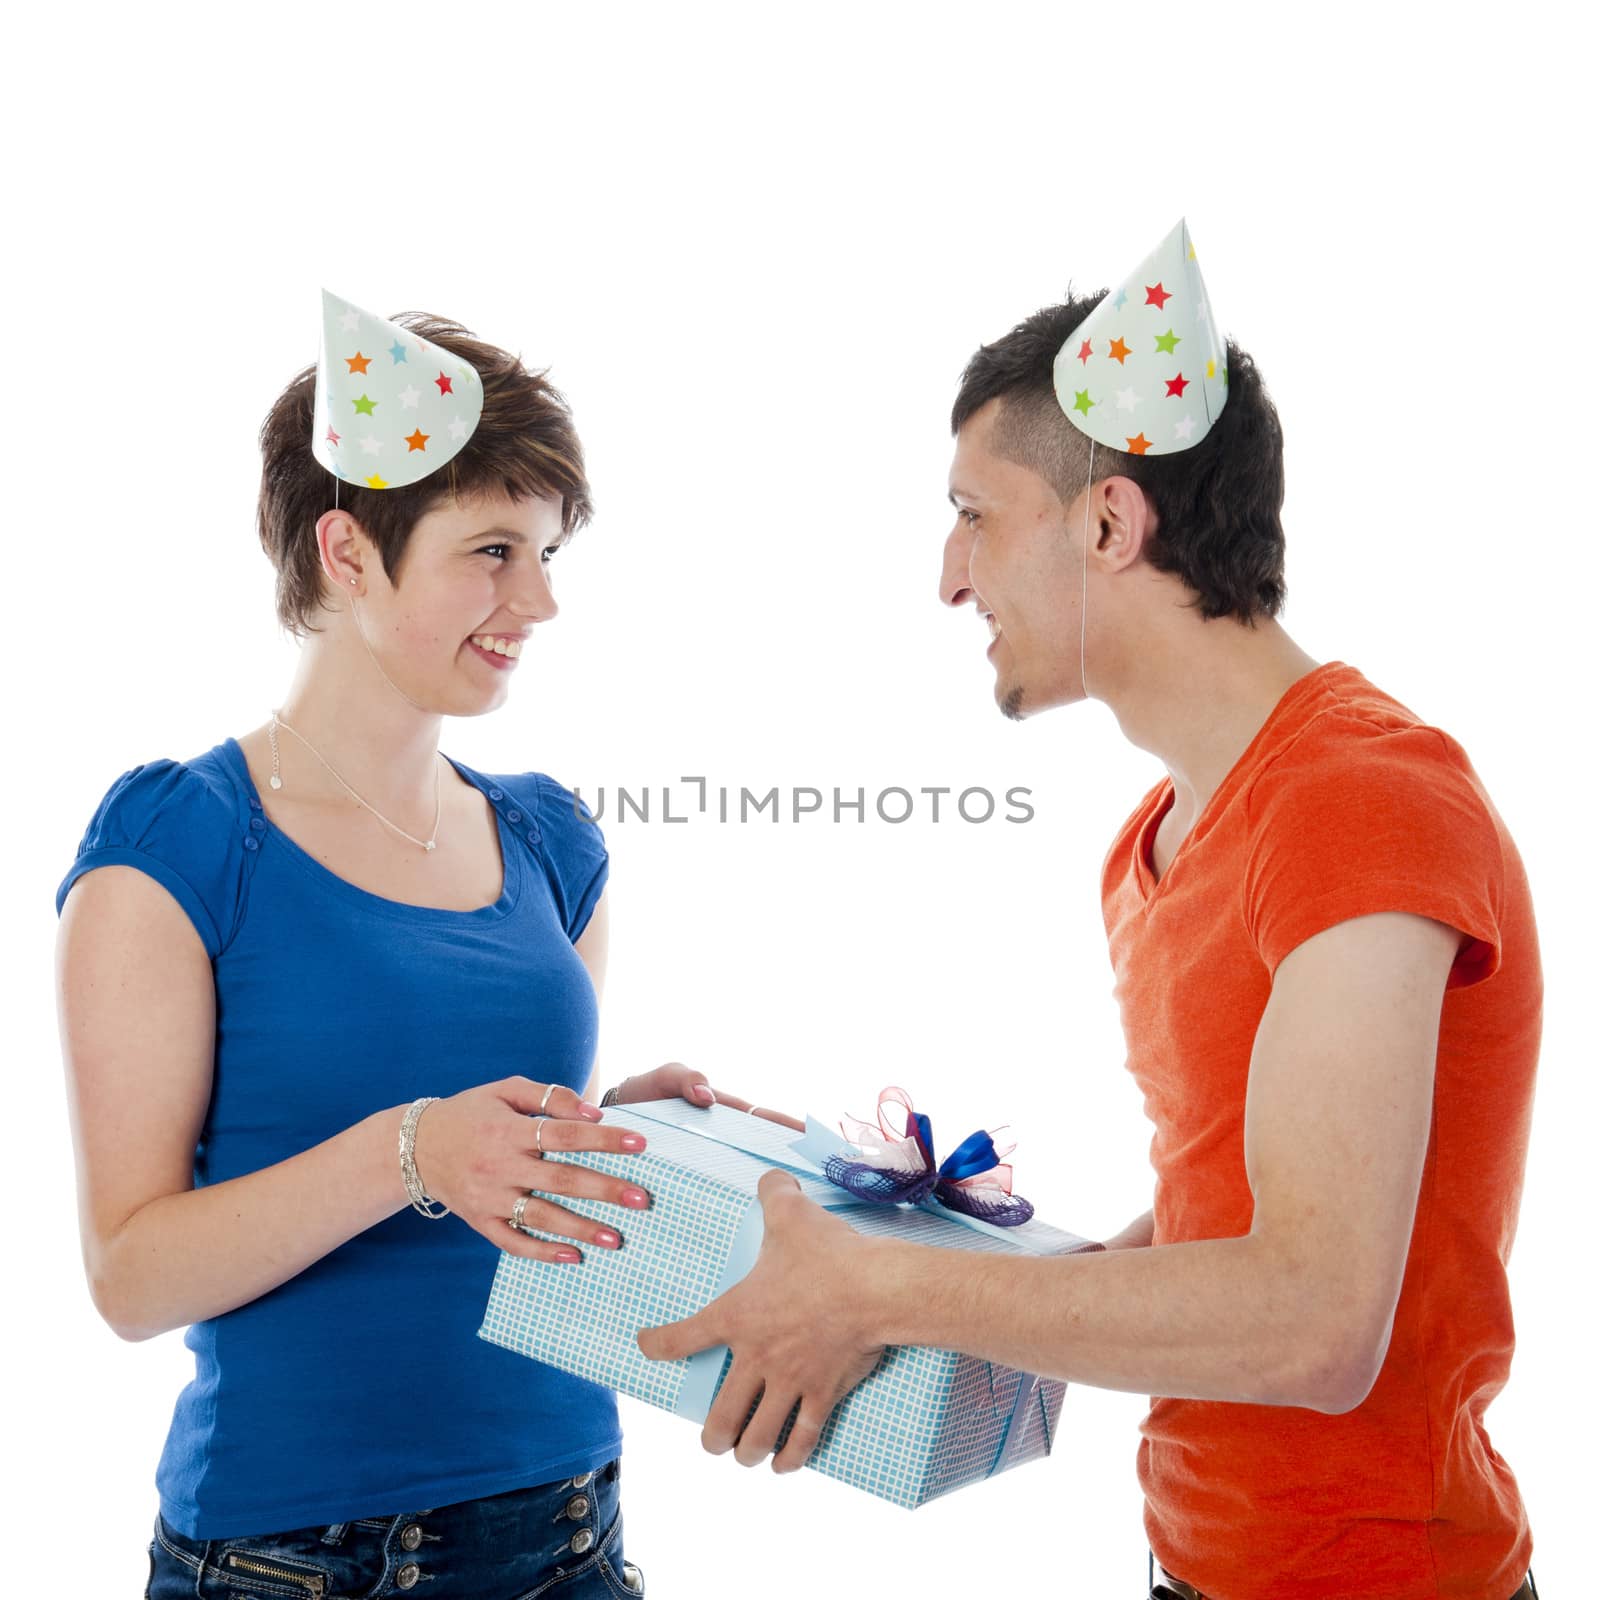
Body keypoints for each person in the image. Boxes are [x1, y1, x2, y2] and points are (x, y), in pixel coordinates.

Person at [637, 222, 1543, 1599]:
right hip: (1194, 1562)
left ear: (1111, 523)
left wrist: (882, 1292)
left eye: (974, 513)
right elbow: (1207, 1240)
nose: (949, 577)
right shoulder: (1155, 841)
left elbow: (1313, 1322)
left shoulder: (1359, 799)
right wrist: (851, 1227)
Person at [53, 293, 786, 1600]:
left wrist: (625, 1138)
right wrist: (413, 1151)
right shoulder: (180, 849)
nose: (541, 600)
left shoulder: (552, 845)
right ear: (347, 552)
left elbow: (513, 1184)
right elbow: (131, 1274)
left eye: (550, 553)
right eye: (494, 550)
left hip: (565, 1528)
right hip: (294, 1561)